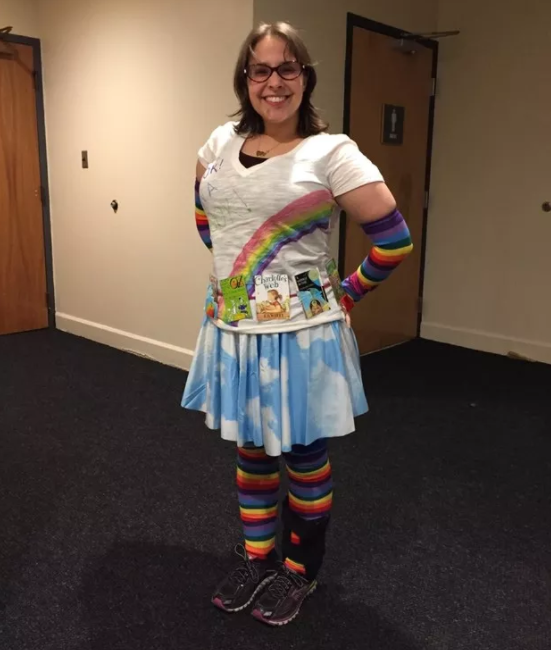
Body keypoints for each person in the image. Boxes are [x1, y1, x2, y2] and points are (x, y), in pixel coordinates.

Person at [182, 21, 413, 626]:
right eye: (261, 70)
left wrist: (349, 292)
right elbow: (208, 217)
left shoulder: (331, 152)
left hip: (302, 336)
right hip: (233, 330)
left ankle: (299, 570)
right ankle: (259, 557)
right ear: (245, 80)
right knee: (253, 450)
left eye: (288, 69)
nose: (274, 82)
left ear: (305, 78)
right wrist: (237, 279)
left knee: (304, 453)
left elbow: (393, 240)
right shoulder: (218, 143)